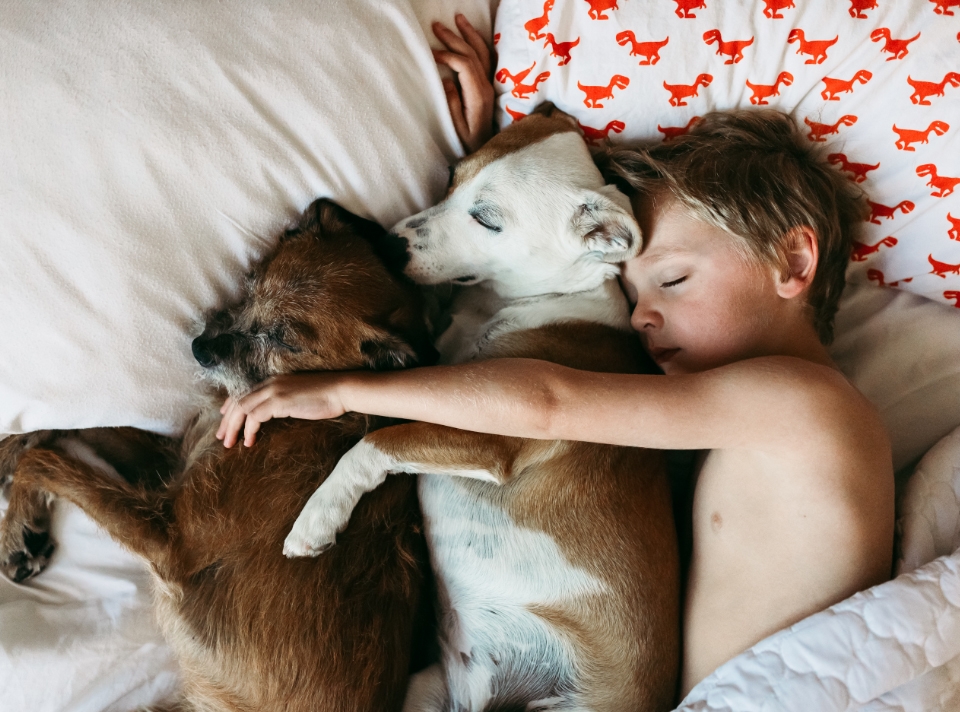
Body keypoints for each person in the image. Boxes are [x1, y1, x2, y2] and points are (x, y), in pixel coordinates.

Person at [216, 15, 895, 697]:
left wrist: (344, 391)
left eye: (675, 280)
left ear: (793, 260)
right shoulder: (742, 416)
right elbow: (543, 253)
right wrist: (494, 154)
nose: (640, 315)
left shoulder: (806, 404)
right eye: (630, 291)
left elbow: (547, 404)